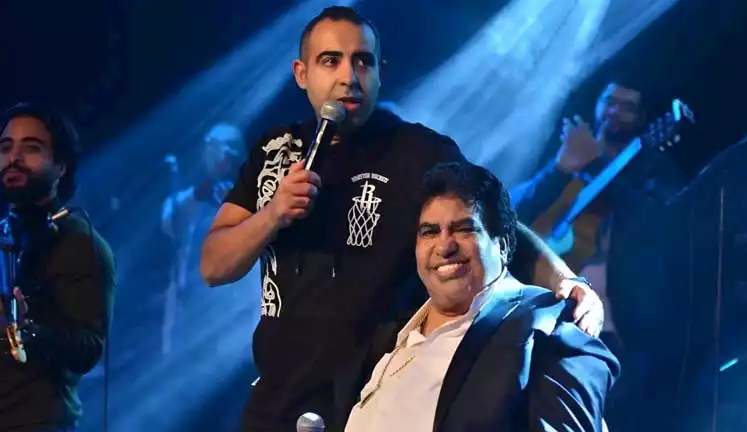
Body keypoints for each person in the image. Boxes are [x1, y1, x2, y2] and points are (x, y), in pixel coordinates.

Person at [200, 7, 603, 431]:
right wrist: (272, 215)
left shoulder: (418, 151)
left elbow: (496, 228)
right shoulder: (274, 151)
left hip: (374, 400)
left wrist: (565, 280)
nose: (349, 76)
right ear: (302, 74)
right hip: (276, 400)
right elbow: (213, 266)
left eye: (363, 61)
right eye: (330, 61)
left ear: (380, 72)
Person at [340, 162, 619, 432]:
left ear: (504, 245)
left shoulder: (549, 328)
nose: (444, 246)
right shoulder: (387, 341)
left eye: (464, 229)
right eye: (430, 232)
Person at [511, 79, 686, 429]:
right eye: (609, 102)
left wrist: (594, 164)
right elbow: (511, 214)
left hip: (608, 326)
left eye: (627, 107)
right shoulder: (572, 150)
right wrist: (560, 169)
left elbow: (658, 224)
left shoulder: (651, 167)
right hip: (533, 310)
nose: (614, 112)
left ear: (642, 119)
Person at [0, 103, 116, 431]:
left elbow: (88, 350)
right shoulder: (3, 234)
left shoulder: (81, 242)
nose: (13, 158)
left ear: (61, 166)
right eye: (5, 148)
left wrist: (28, 328)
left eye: (31, 148)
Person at [160, 122, 258, 356]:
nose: (214, 155)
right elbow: (169, 223)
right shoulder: (190, 197)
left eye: (222, 148)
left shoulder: (255, 196)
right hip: (190, 309)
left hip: (235, 310)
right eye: (209, 148)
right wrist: (199, 194)